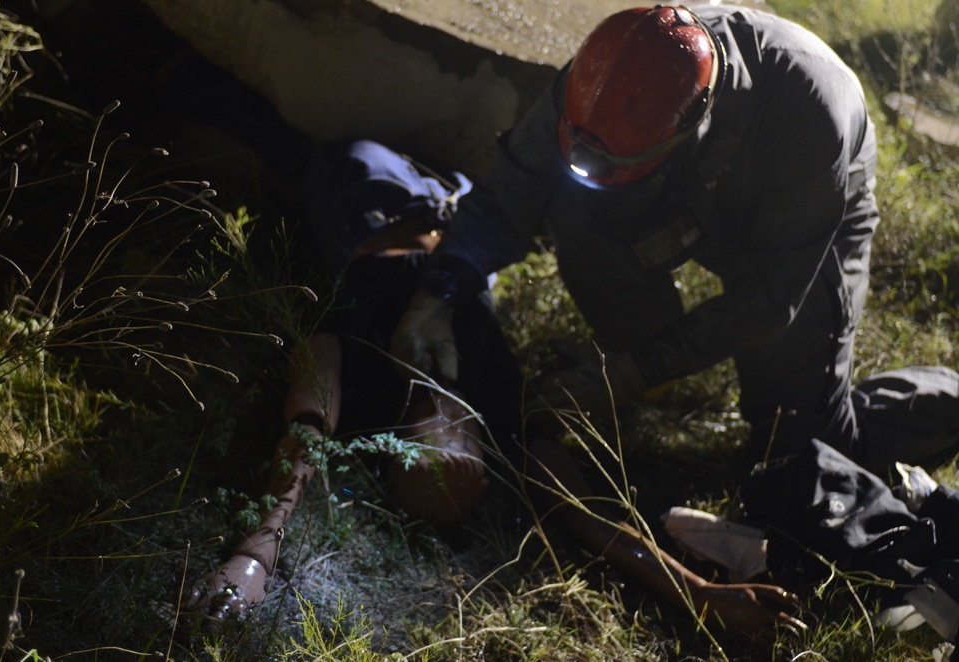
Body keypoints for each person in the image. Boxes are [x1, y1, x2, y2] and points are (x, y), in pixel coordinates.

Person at [187, 139, 806, 644]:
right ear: (486, 457)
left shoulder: (366, 384)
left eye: (436, 439)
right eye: (471, 448)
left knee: (336, 147)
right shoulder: (502, 415)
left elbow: (304, 431)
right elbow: (590, 518)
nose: (456, 422)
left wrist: (254, 553)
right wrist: (700, 594)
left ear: (398, 445)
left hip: (368, 204)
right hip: (464, 215)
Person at [389, 5, 959, 477]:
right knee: (575, 200)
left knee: (798, 448)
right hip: (680, 176)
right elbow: (516, 185)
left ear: (694, 126)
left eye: (619, 161)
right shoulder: (609, 75)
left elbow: (770, 298)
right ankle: (638, 354)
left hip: (805, 213)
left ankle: (943, 403)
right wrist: (437, 293)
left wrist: (631, 373)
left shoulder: (811, 120)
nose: (596, 165)